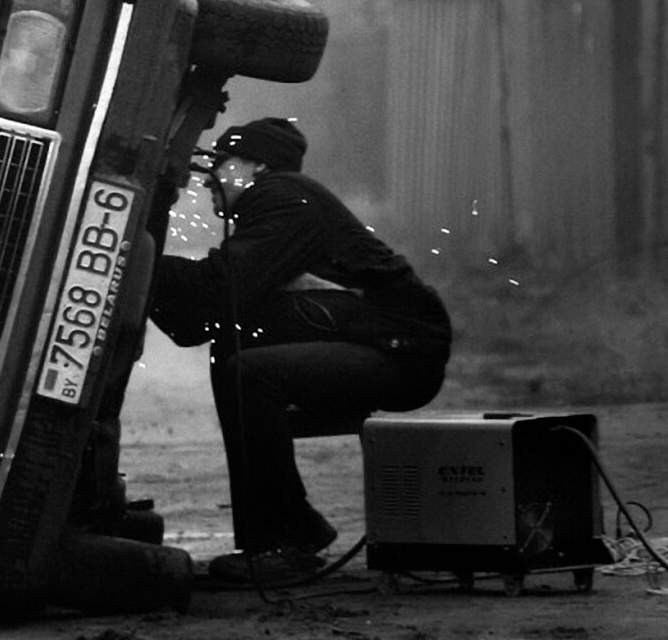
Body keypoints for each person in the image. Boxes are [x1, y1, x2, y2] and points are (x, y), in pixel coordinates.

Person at [151, 117, 452, 586]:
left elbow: (220, 286)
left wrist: (138, 259)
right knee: (232, 345)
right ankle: (291, 530)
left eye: (222, 165)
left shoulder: (285, 199)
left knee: (250, 373)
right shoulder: (272, 205)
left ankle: (280, 546)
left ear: (256, 166)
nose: (208, 182)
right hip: (371, 342)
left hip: (400, 355)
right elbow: (200, 322)